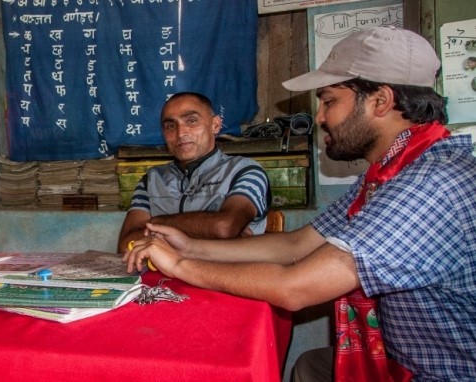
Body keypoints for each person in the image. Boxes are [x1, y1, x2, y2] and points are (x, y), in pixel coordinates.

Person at [124, 27, 476, 381]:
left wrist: (181, 263)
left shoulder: (430, 184)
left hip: (437, 373)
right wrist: (193, 245)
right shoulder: (386, 175)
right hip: (395, 358)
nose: (320, 117)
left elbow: (295, 287)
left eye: (329, 100)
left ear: (380, 101)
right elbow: (296, 244)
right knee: (306, 366)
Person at [115, 92, 269, 253]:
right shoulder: (152, 180)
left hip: (223, 275)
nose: (181, 133)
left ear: (215, 125)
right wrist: (208, 228)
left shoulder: (245, 171)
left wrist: (156, 223)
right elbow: (126, 245)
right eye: (170, 126)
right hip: (162, 276)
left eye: (192, 121)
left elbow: (224, 227)